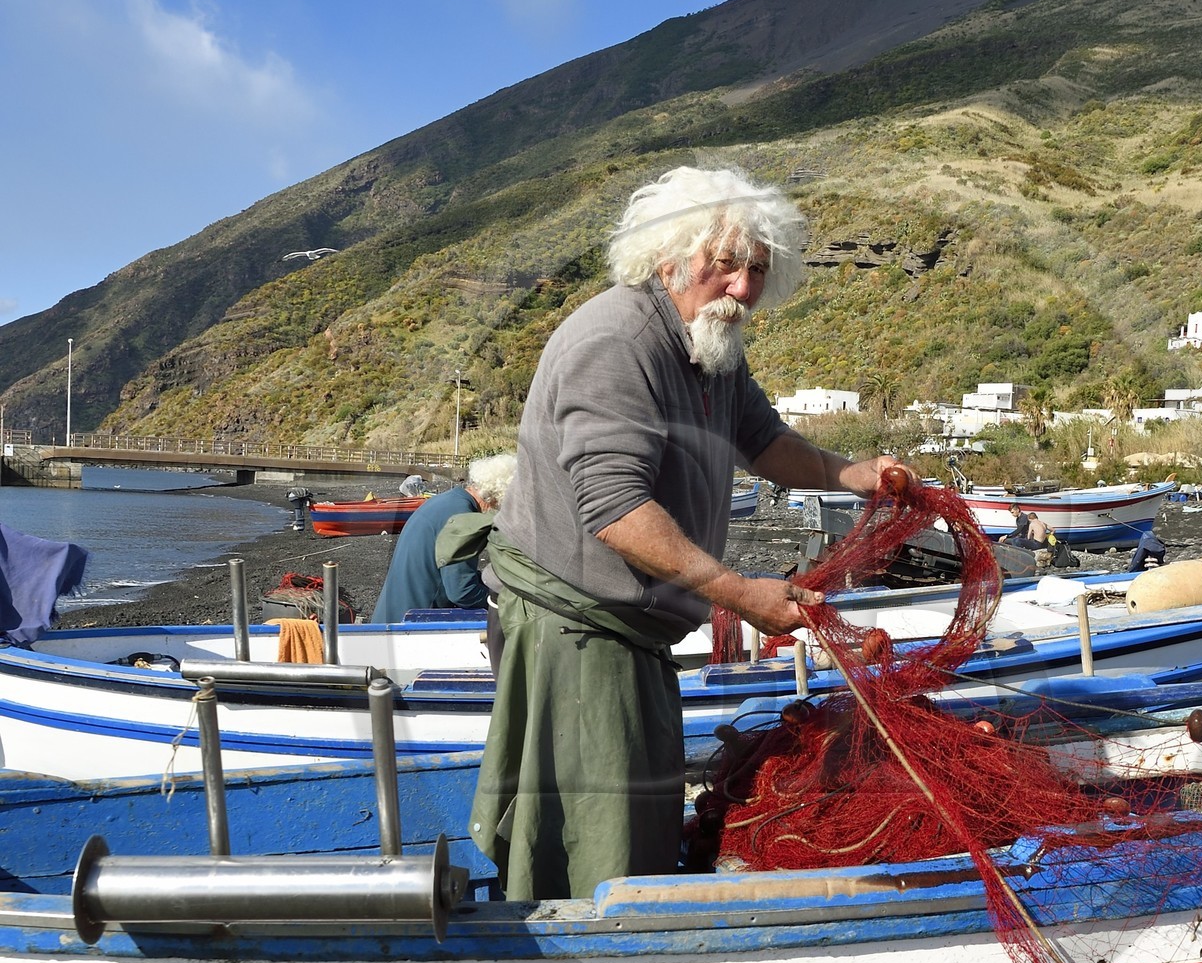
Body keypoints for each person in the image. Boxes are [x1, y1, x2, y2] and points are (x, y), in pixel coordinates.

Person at [471, 164, 908, 900]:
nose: (741, 287)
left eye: (759, 270)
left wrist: (856, 474)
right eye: (725, 264)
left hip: (633, 633)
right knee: (596, 850)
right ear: (668, 258)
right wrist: (739, 595)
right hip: (573, 631)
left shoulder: (712, 346)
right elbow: (614, 509)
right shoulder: (616, 341)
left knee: (638, 826)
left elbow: (764, 441)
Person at [371, 453, 516, 624]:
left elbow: (450, 573)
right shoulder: (463, 517)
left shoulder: (447, 501)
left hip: (391, 615)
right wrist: (506, 602)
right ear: (496, 497)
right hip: (411, 626)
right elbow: (462, 591)